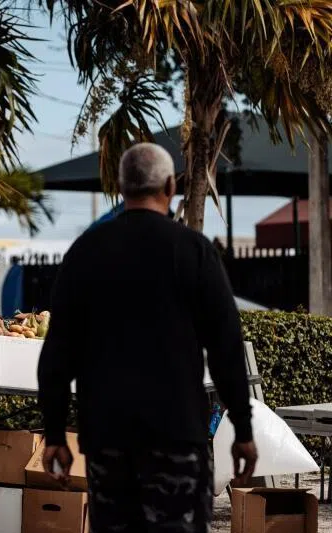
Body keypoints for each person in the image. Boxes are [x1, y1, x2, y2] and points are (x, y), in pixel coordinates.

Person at [37, 143, 257, 533]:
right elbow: (225, 346)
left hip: (107, 440)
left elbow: (57, 353)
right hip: (176, 437)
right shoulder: (194, 251)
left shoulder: (85, 252)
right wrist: (242, 427)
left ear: (121, 187)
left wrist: (54, 433)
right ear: (171, 186)